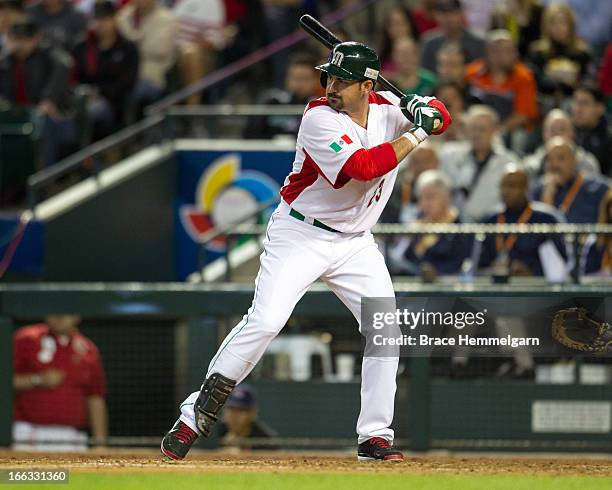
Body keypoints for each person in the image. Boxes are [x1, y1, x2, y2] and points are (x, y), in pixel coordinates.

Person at [161, 41, 451, 462]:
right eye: (329, 77)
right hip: (301, 234)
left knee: (386, 330)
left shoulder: (391, 105)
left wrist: (430, 109)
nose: (332, 86)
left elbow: (442, 113)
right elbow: (364, 168)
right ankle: (194, 414)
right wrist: (420, 130)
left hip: (355, 242)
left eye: (343, 80)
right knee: (265, 321)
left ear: (367, 85)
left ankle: (375, 437)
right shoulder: (318, 117)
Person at [12, 315, 107, 451]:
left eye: (66, 311)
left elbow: (95, 397)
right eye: (55, 309)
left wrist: (100, 444)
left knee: (71, 473)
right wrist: (36, 380)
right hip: (28, 433)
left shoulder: (88, 349)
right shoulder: (26, 338)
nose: (59, 316)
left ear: (77, 316)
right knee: (24, 473)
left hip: (72, 436)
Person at [0, 17, 77, 166]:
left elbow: (65, 64)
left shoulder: (47, 55)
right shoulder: (6, 61)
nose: (19, 45)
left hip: (56, 118)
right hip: (19, 116)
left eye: (24, 39)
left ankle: (44, 179)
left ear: (36, 38)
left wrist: (48, 100)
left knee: (42, 123)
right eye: (16, 39)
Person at [479, 165, 568, 278]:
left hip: (537, 288)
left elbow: (560, 264)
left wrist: (532, 272)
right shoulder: (490, 220)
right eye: (503, 185)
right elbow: (478, 265)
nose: (505, 191)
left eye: (512, 186)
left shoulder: (546, 219)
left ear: (526, 188)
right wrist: (492, 269)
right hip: (498, 287)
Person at [73, 0, 139, 141]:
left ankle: (85, 158)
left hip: (114, 104)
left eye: (104, 19)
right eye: (96, 19)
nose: (100, 24)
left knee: (92, 112)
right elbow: (74, 78)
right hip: (82, 99)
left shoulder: (127, 48)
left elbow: (127, 83)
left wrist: (100, 93)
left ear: (114, 19)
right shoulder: (82, 46)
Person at [439, 105, 518, 221]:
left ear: (494, 131)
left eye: (482, 129)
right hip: (453, 226)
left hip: (491, 226)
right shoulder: (450, 155)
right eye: (473, 128)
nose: (476, 134)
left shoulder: (509, 163)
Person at [389, 169, 472, 278]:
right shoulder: (417, 224)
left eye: (430, 197)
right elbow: (401, 258)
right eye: (421, 198)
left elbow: (458, 265)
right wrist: (408, 239)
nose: (424, 204)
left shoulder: (462, 227)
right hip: (411, 283)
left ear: (448, 197)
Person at [466, 29, 538, 132]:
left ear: (515, 54)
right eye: (496, 50)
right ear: (487, 52)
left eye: (508, 51)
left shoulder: (524, 77)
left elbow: (523, 116)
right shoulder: (472, 73)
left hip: (511, 131)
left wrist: (496, 131)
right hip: (476, 127)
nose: (501, 56)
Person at [531, 136, 610, 223]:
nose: (554, 164)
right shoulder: (536, 190)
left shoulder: (598, 187)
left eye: (560, 158)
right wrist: (547, 197)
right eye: (549, 159)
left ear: (574, 160)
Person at [117, 0, 178, 112]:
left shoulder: (168, 19)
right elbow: (115, 45)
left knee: (133, 92)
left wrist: (130, 43)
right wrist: (139, 40)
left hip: (151, 77)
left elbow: (160, 49)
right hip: (121, 74)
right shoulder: (123, 16)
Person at [243, 53, 321, 140]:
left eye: (305, 79)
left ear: (316, 80)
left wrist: (338, 151)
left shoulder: (320, 109)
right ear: (287, 78)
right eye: (296, 78)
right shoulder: (271, 101)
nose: (300, 84)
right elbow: (249, 134)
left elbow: (332, 143)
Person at [527, 3, 593, 96]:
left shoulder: (582, 53)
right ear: (546, 26)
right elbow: (531, 82)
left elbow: (590, 85)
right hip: (544, 101)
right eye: (553, 23)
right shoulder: (537, 52)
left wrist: (575, 83)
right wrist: (548, 79)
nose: (558, 27)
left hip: (574, 103)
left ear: (571, 25)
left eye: (563, 22)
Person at [523, 108, 600, 177]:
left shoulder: (587, 163)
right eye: (552, 130)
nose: (557, 134)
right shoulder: (531, 166)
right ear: (544, 135)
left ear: (572, 133)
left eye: (562, 129)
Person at [420, 0, 485, 74]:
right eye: (443, 14)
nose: (448, 19)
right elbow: (426, 72)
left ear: (461, 14)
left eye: (452, 13)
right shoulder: (429, 43)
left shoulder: (478, 42)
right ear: (436, 16)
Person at [218, 384, 277, 451]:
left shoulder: (266, 440)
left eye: (240, 410)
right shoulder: (218, 429)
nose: (234, 416)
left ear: (252, 413)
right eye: (231, 409)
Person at [571, 83, 611, 176]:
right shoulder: (566, 132)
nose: (578, 109)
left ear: (600, 108)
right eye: (576, 102)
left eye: (584, 103)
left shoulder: (608, 138)